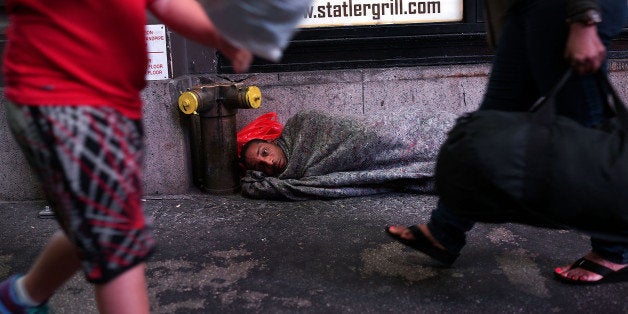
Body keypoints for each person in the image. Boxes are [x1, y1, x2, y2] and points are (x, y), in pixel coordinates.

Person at [0, 0, 303, 312]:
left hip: (116, 108)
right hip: (59, 100)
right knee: (115, 235)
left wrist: (220, 37)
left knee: (99, 221)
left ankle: (20, 298)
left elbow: (167, 3)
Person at [386, 0, 628, 284]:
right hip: (529, 8)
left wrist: (584, 19)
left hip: (566, 9)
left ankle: (617, 251)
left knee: (586, 133)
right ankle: (444, 230)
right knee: (491, 126)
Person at [238, 109, 454, 200]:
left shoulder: (299, 123)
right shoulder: (292, 178)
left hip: (374, 131)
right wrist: (255, 177)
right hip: (369, 159)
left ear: (270, 142)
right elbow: (253, 186)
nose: (268, 161)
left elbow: (346, 128)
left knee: (382, 132)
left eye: (264, 152)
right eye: (260, 166)